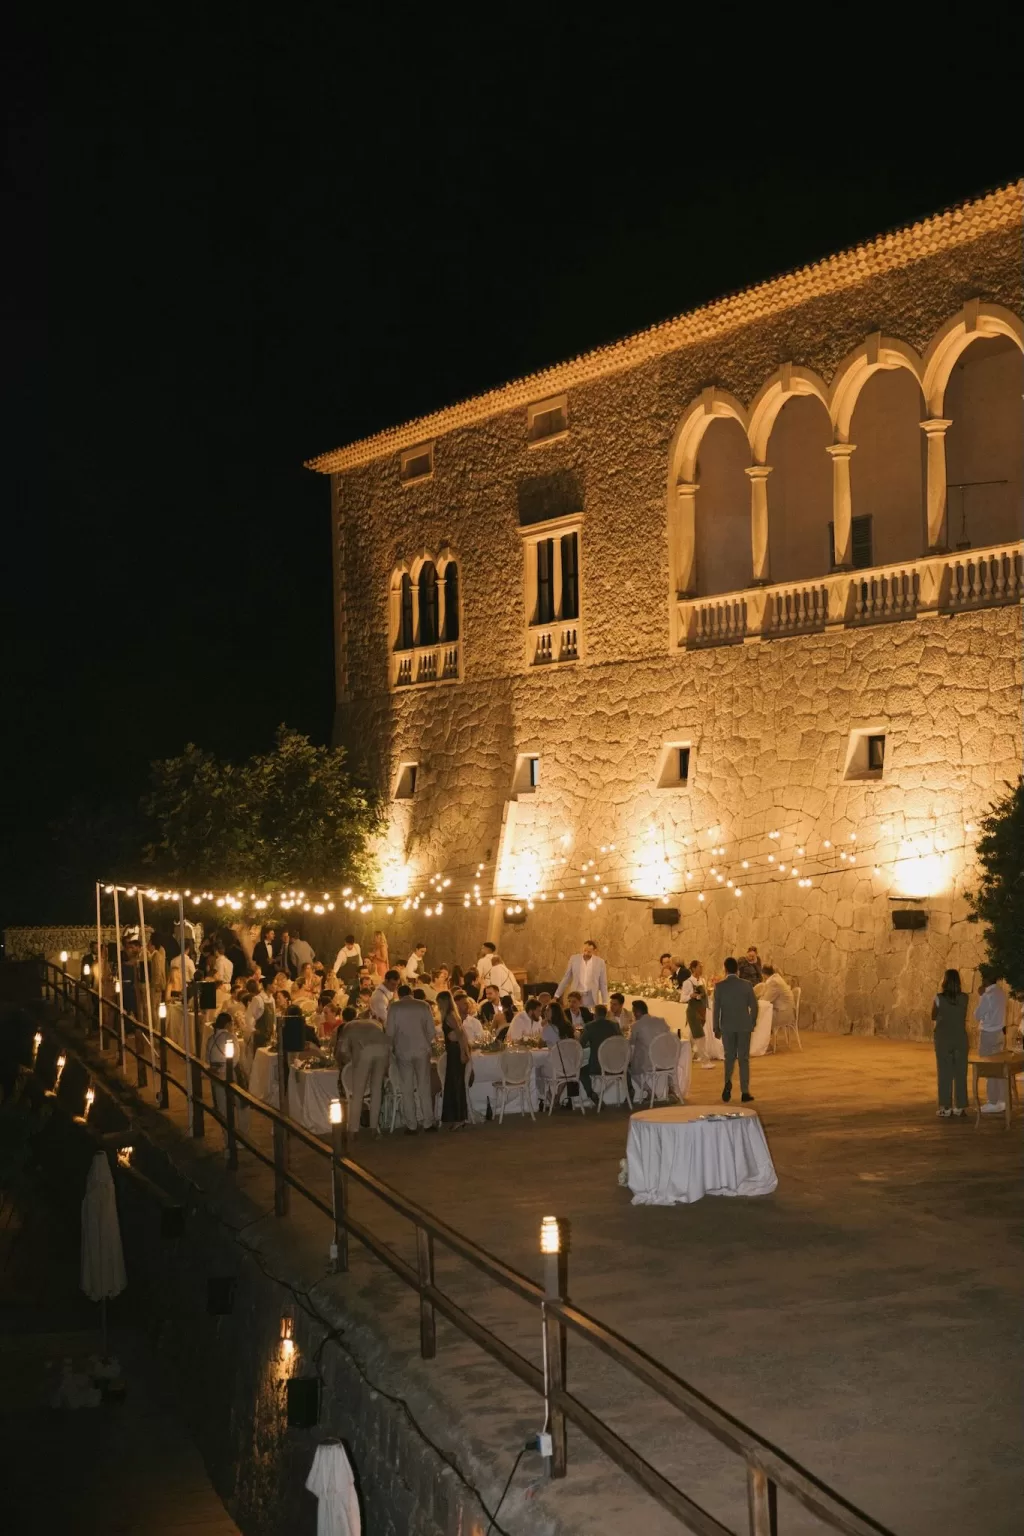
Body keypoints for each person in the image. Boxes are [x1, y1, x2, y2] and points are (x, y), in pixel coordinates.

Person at [385, 987, 437, 1133]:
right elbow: (432, 1031)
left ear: (399, 995)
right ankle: (428, 1122)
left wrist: (394, 1045)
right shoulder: (423, 1005)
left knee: (406, 1088)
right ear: (411, 994)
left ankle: (411, 1125)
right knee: (424, 1086)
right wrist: (425, 1042)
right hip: (422, 1050)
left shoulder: (394, 1007)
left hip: (403, 1051)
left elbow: (389, 1032)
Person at [335, 1006, 389, 1135]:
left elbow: (342, 1050)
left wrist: (348, 1062)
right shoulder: (375, 1023)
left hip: (364, 1052)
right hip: (383, 1049)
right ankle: (374, 1128)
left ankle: (353, 1129)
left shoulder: (348, 1027)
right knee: (376, 1090)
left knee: (358, 1093)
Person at [713, 957, 758, 1103]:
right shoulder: (747, 985)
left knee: (729, 1057)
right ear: (737, 969)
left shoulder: (719, 986)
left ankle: (727, 1083)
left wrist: (716, 1027)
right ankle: (745, 1091)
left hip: (727, 1026)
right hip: (744, 1026)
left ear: (725, 969)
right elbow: (754, 1006)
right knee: (744, 1059)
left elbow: (716, 1010)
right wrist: (751, 1022)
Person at [931, 968, 969, 1118]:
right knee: (960, 1072)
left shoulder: (939, 998)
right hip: (960, 1037)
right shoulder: (965, 997)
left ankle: (945, 1106)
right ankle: (960, 1106)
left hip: (944, 1038)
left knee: (945, 1072)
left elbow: (933, 1016)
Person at [974, 966, 1008, 1114]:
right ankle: (1002, 1100)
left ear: (987, 979)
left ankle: (993, 1101)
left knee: (989, 1070)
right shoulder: (1001, 993)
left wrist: (981, 996)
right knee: (1000, 1068)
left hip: (988, 1034)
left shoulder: (987, 995)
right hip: (999, 1033)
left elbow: (977, 1015)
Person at [438, 990, 470, 1130]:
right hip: (454, 1051)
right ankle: (458, 1117)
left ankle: (459, 1118)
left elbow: (460, 1034)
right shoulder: (453, 1015)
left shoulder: (450, 1016)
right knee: (454, 1083)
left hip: (455, 1052)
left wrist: (464, 1052)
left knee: (456, 1084)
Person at [579, 1003, 622, 1102]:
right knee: (626, 1068)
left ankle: (591, 1093)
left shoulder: (589, 1026)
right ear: (606, 1014)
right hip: (615, 1065)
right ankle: (631, 1089)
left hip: (597, 1066)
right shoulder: (615, 1025)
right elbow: (621, 1042)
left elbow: (581, 1044)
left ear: (595, 1015)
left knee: (581, 1072)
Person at [628, 1000, 670, 1096]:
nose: (633, 1014)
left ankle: (648, 1090)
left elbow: (631, 1042)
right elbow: (668, 1035)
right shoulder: (661, 1021)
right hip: (665, 1059)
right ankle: (670, 1087)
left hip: (648, 1062)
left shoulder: (636, 1025)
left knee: (630, 1068)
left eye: (634, 1012)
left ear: (637, 1012)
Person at [555, 939, 608, 1009]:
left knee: (589, 1018)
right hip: (576, 995)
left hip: (591, 997)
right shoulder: (574, 959)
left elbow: (603, 983)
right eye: (584, 950)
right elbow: (566, 978)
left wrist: (605, 1002)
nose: (586, 953)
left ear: (594, 951)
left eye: (589, 952)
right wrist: (556, 995)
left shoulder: (600, 962)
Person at [679, 961, 710, 1064]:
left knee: (692, 1036)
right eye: (699, 967)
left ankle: (685, 1056)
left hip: (702, 1010)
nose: (701, 969)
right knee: (700, 1036)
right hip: (693, 1011)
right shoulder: (687, 982)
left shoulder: (703, 981)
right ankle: (705, 1062)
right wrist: (690, 996)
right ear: (693, 968)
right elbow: (682, 998)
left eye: (702, 967)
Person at [755, 965, 795, 1043]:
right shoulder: (776, 978)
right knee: (761, 1014)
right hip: (786, 1011)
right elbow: (765, 995)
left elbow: (766, 1000)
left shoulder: (774, 982)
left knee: (758, 1016)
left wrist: (756, 999)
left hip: (783, 1014)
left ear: (763, 974)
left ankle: (762, 1043)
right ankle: (764, 1042)